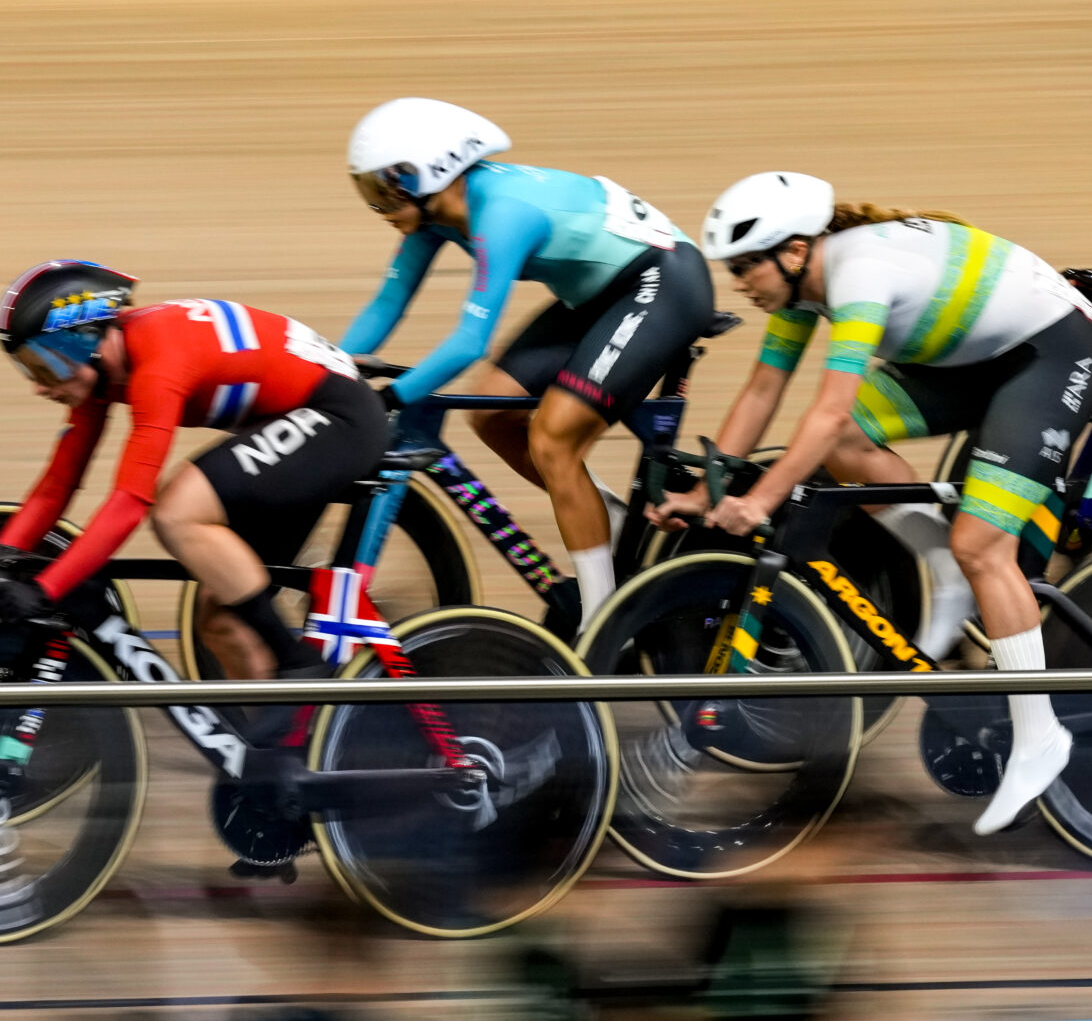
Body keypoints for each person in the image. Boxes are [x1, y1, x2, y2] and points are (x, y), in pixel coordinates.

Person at [653, 172, 1092, 837]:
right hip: (976, 357)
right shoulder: (801, 285)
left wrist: (761, 499)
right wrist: (707, 488)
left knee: (984, 544)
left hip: (1051, 354)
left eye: (745, 265)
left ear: (792, 251)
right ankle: (947, 571)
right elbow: (762, 388)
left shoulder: (858, 272)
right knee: (846, 445)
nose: (738, 282)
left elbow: (829, 401)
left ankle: (1040, 737)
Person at [341, 98, 714, 632]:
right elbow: (386, 304)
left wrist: (390, 398)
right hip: (601, 296)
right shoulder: (434, 216)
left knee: (552, 439)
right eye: (369, 191)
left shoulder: (502, 212)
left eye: (386, 188)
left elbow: (471, 340)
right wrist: (329, 370)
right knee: (490, 412)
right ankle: (604, 517)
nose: (379, 204)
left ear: (435, 171)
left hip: (663, 280)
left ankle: (602, 623)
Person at [0, 261, 388, 684]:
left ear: (81, 339)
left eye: (42, 365)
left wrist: (43, 591)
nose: (38, 385)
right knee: (221, 620)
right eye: (27, 369)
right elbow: (56, 487)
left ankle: (297, 663)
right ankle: (287, 743)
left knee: (176, 511)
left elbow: (130, 502)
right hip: (296, 424)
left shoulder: (158, 361)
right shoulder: (103, 371)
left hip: (340, 418)